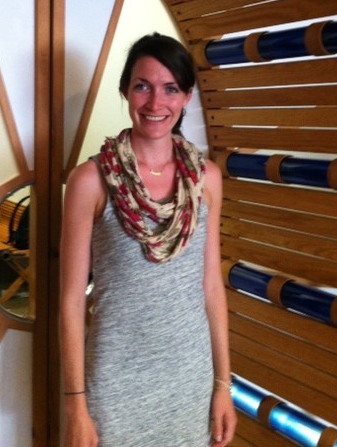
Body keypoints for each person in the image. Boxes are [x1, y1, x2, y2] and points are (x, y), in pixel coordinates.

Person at [60, 33, 237, 446]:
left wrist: (222, 386)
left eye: (170, 88)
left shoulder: (206, 179)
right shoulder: (90, 180)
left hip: (190, 378)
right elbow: (70, 299)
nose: (156, 103)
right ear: (125, 91)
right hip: (114, 381)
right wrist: (75, 405)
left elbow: (211, 288)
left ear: (187, 96)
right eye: (143, 86)